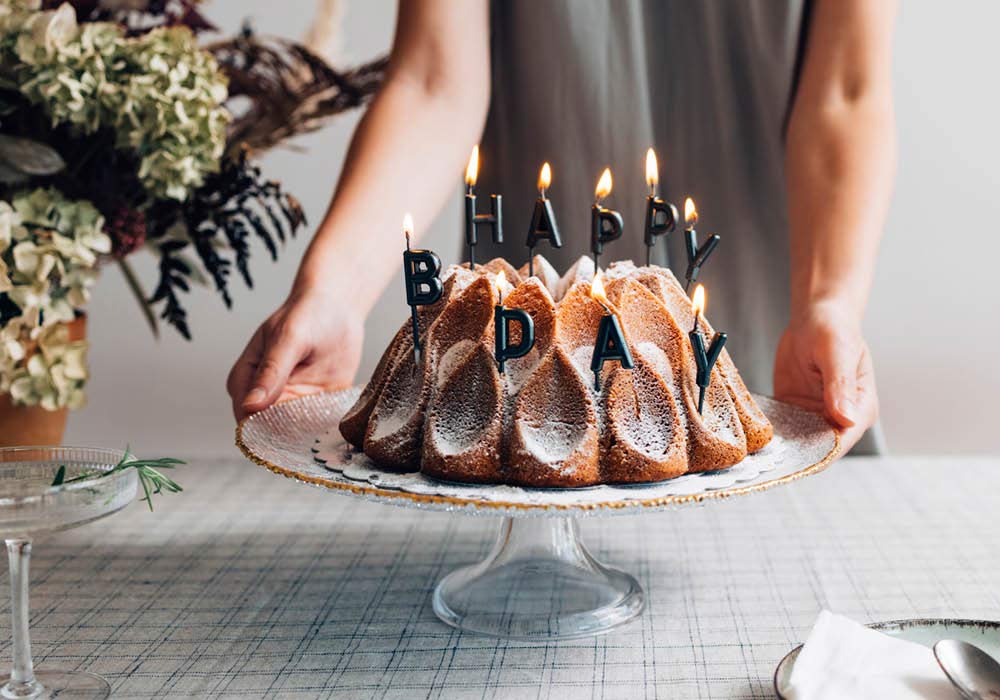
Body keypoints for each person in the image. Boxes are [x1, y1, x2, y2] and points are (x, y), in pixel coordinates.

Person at [227, 0, 896, 455]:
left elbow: (846, 90)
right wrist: (333, 294)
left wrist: (829, 302)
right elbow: (435, 79)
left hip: (774, 356)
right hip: (524, 386)